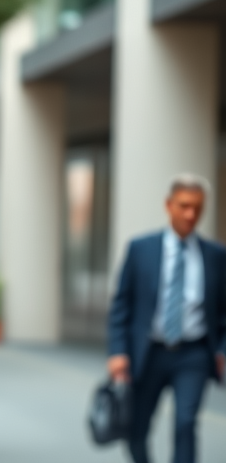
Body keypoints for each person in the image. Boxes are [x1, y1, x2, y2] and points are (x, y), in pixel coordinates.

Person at [107, 174, 226, 463]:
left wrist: (222, 349)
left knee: (186, 424)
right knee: (137, 429)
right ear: (168, 205)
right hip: (148, 353)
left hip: (194, 354)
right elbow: (122, 304)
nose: (191, 214)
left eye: (198, 207)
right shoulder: (141, 249)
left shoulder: (216, 255)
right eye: (184, 206)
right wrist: (118, 351)